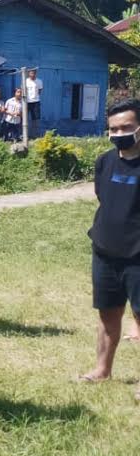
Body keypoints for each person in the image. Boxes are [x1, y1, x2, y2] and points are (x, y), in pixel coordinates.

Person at [79, 99, 140, 389]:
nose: (119, 133)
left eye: (126, 127)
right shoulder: (105, 161)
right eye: (113, 129)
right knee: (107, 313)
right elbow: (103, 196)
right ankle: (102, 370)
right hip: (105, 252)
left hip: (137, 257)